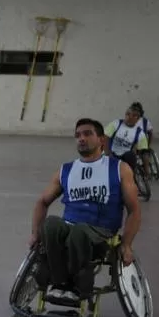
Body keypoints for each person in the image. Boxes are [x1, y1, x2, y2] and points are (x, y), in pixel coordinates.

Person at [28, 118, 141, 303]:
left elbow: (134, 210)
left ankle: (79, 285)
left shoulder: (119, 169)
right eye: (78, 135)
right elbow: (42, 202)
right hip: (71, 226)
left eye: (87, 134)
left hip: (101, 231)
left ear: (101, 140)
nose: (81, 138)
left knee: (79, 232)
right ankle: (59, 283)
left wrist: (127, 245)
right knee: (50, 225)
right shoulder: (66, 170)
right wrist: (35, 233)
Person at [105, 103, 149, 177]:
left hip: (126, 156)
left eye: (134, 116)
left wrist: (146, 168)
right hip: (111, 153)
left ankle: (130, 177)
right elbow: (105, 137)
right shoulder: (116, 124)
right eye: (128, 114)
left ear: (138, 119)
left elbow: (144, 153)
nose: (130, 117)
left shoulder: (140, 133)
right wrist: (108, 153)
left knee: (131, 155)